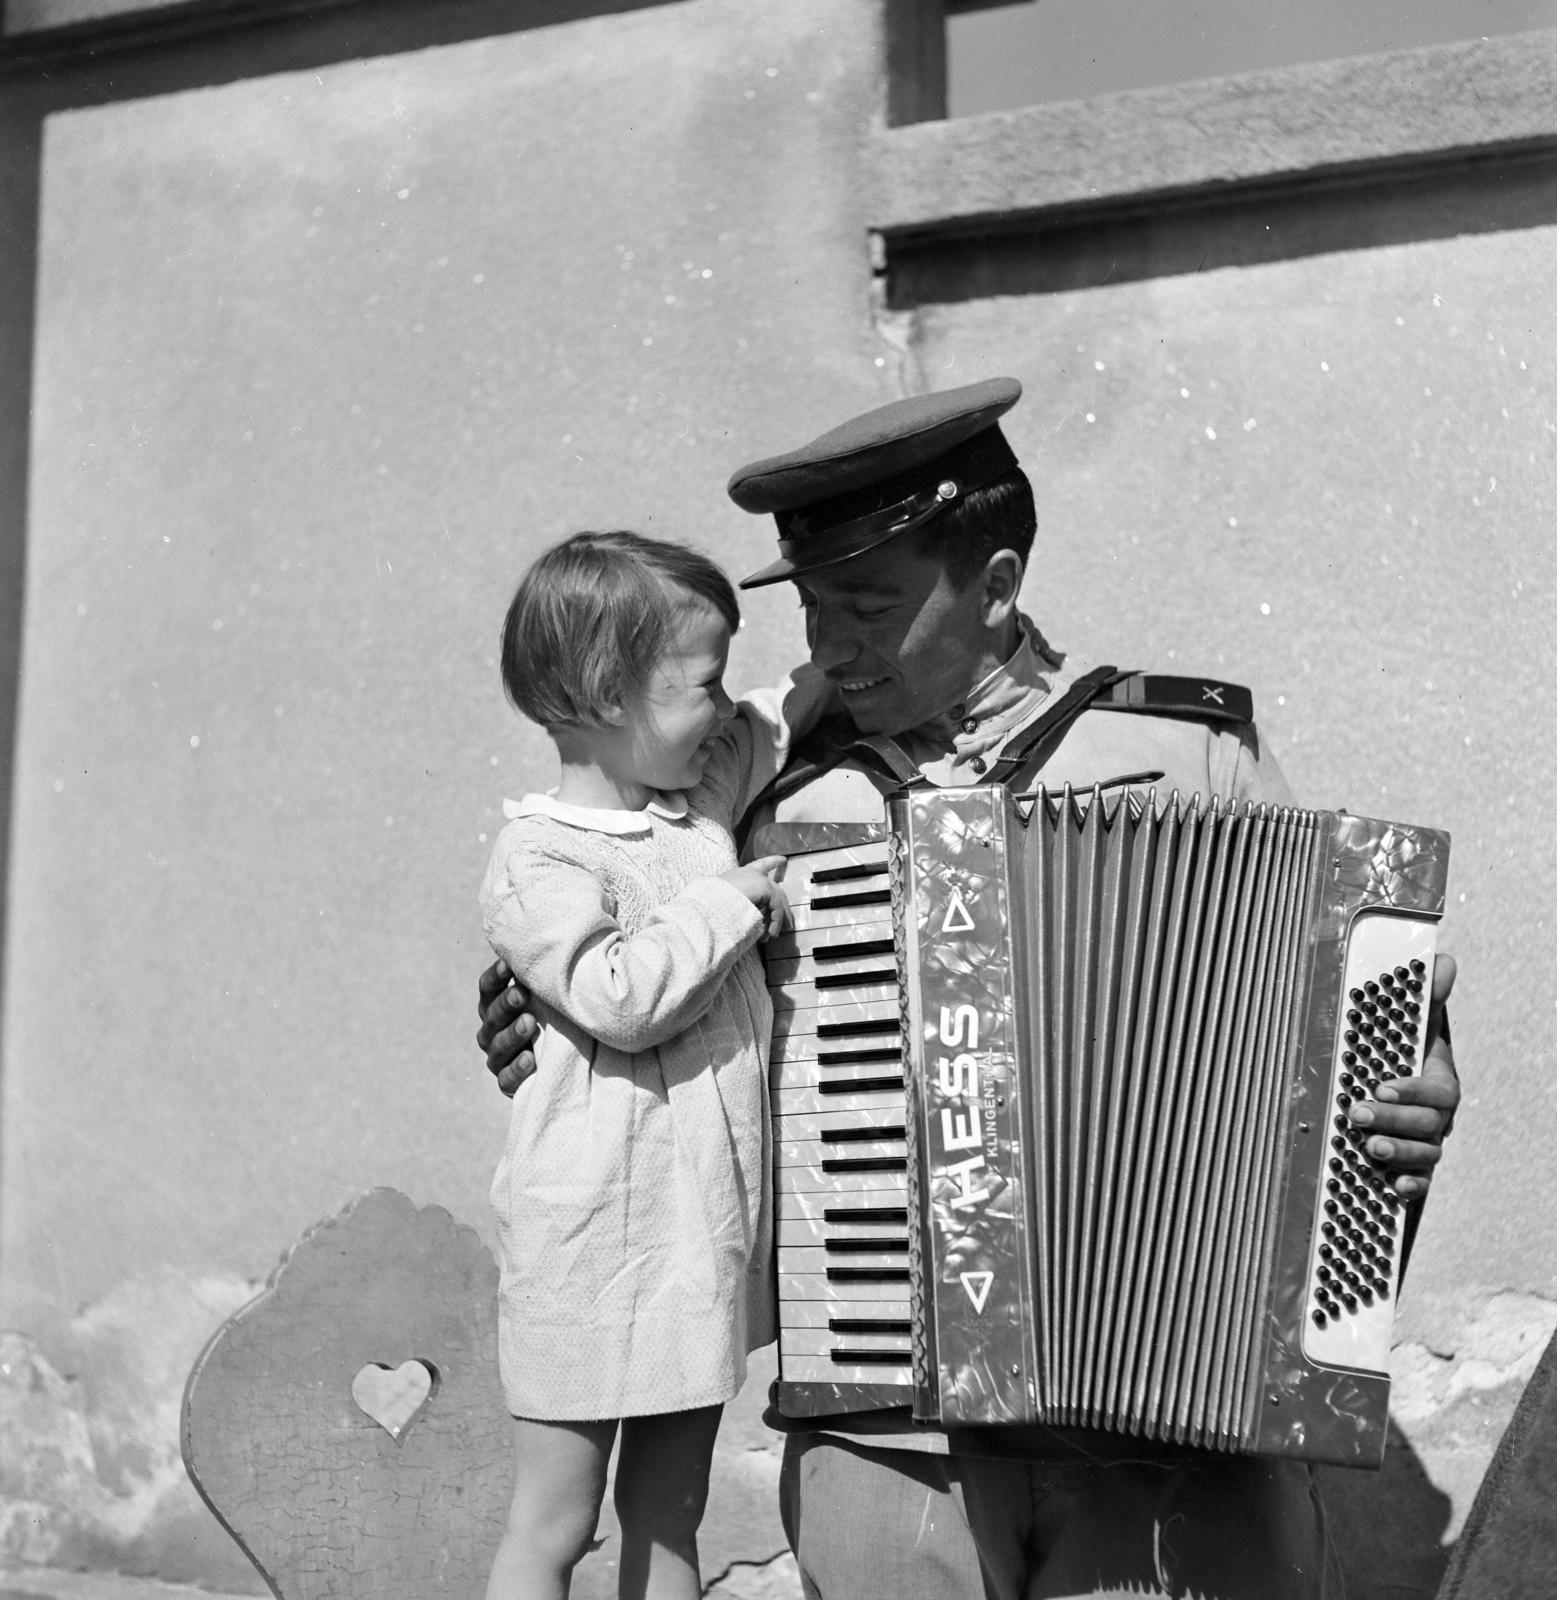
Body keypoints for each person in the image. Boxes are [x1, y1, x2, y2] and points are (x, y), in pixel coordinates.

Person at [477, 383, 1461, 1599]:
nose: (828, 649)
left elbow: (1345, 1003)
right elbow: (622, 919)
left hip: (1178, 1435)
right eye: (816, 610)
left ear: (995, 587)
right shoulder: (778, 795)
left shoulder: (1185, 753)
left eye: (870, 609)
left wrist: (1408, 1087)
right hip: (892, 1430)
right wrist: (532, 1010)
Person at [479, 530, 828, 1600]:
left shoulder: (697, 793)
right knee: (558, 1520)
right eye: (702, 684)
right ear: (601, 694)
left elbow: (795, 700)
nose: (727, 708)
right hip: (587, 1241)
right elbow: (620, 998)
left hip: (695, 1238)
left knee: (670, 1513)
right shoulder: (539, 857)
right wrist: (728, 888)